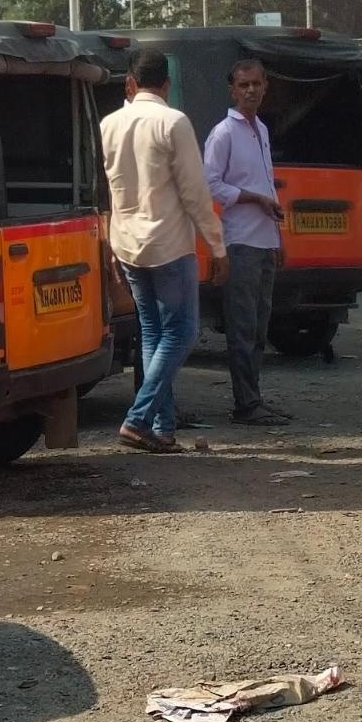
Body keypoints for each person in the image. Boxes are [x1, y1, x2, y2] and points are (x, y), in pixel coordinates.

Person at [99, 48, 227, 454]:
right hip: (169, 244)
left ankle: (162, 426)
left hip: (128, 243)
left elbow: (110, 190)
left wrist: (108, 242)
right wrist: (217, 246)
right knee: (183, 331)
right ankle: (138, 419)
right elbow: (194, 193)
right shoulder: (173, 122)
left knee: (154, 332)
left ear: (130, 84)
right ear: (167, 83)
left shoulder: (110, 124)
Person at [203, 58, 289, 426]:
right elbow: (211, 185)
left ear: (265, 86)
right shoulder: (223, 132)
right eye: (244, 85)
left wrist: (277, 238)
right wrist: (254, 199)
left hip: (264, 240)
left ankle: (254, 399)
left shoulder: (261, 130)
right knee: (241, 327)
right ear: (232, 90)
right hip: (239, 242)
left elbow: (268, 185)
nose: (250, 90)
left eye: (256, 84)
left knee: (259, 328)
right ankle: (245, 404)